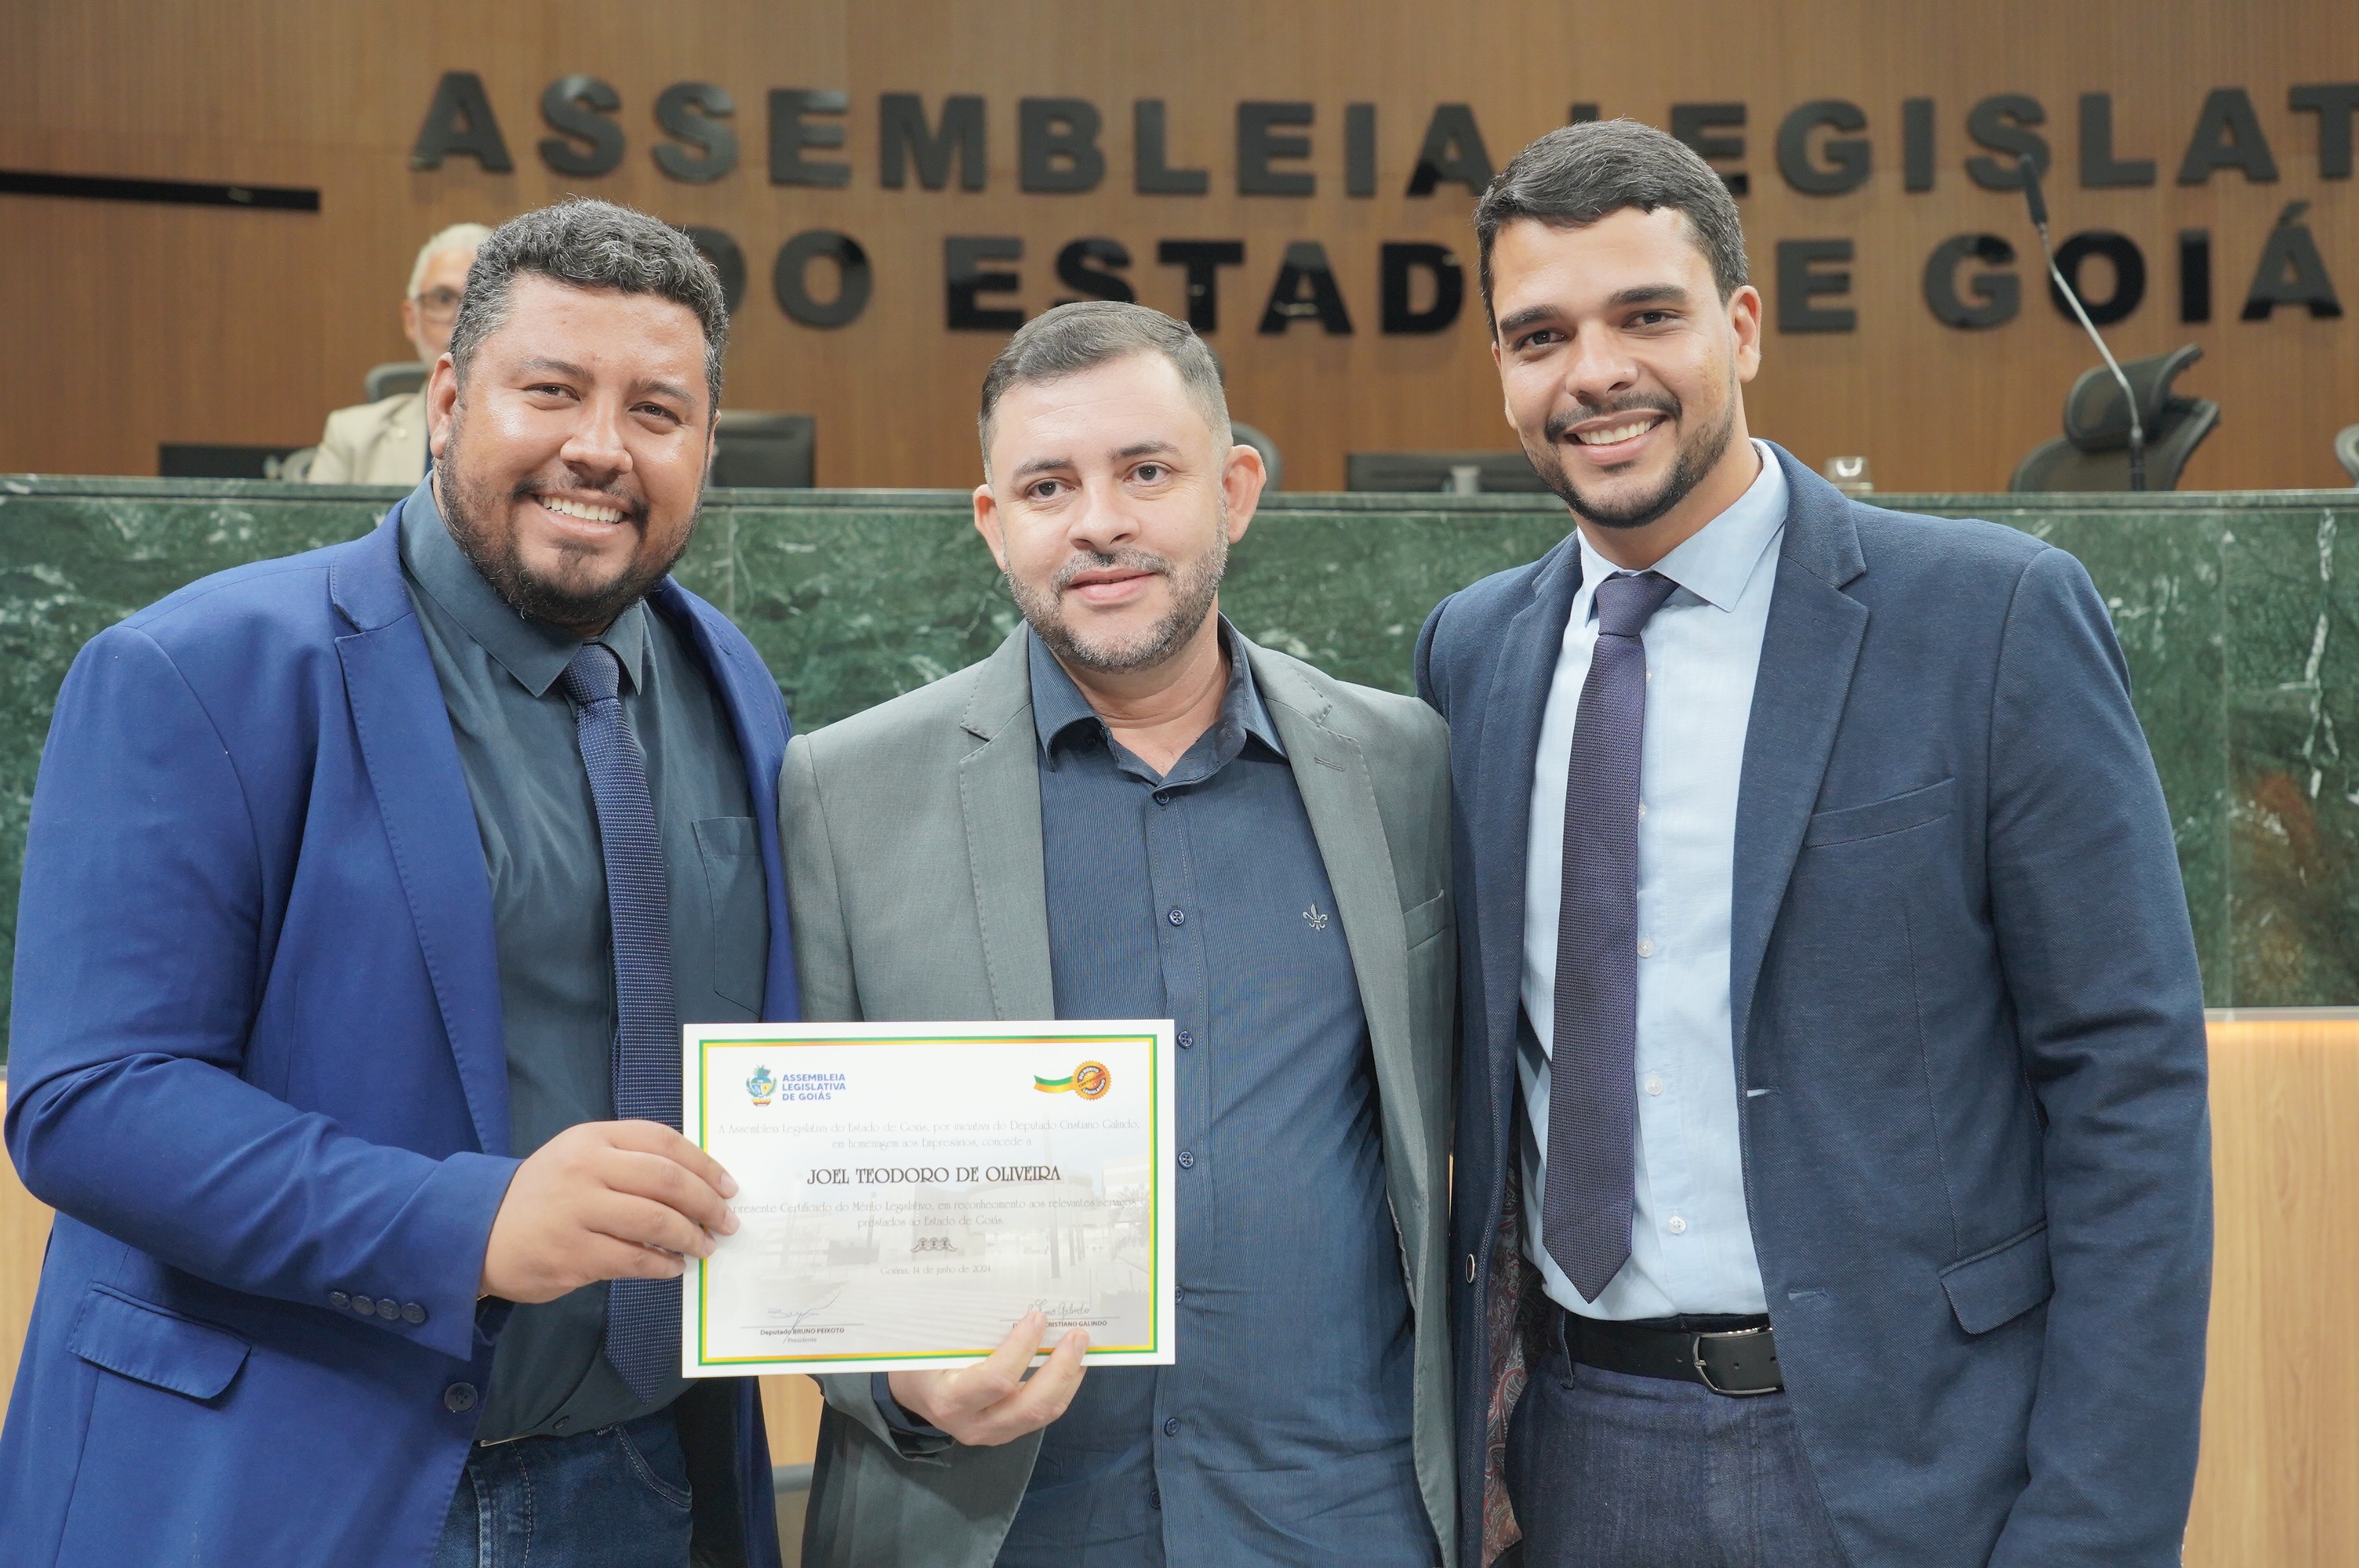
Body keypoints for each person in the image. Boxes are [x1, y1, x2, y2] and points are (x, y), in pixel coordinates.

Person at [1416, 122, 2211, 1568]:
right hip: (1577, 1452)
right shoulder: (1470, 655)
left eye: (1644, 316)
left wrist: (2092, 1529)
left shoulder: (1990, 619)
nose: (1593, 371)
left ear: (1740, 327)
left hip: (1914, 1461)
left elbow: (2128, 1091)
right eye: (1540, 335)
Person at [1, 199, 798, 1568]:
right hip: (284, 1488)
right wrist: (465, 1223)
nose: (600, 447)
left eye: (657, 410)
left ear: (708, 447)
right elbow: (90, 1100)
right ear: (445, 402)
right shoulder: (199, 670)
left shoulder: (729, 678)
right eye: (551, 391)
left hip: (647, 1483)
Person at [787, 301, 1458, 1568]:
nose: (1098, 522)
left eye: (1146, 472)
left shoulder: (1404, 766)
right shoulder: (842, 794)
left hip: (1343, 1517)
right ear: (994, 523)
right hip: (1000, 1526)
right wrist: (893, 1381)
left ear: (1233, 491)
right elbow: (791, 1182)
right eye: (1047, 485)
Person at [308, 221, 493, 484]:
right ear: (411, 320)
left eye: (480, 299)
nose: (462, 319)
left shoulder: (540, 433)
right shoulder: (352, 438)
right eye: (443, 299)